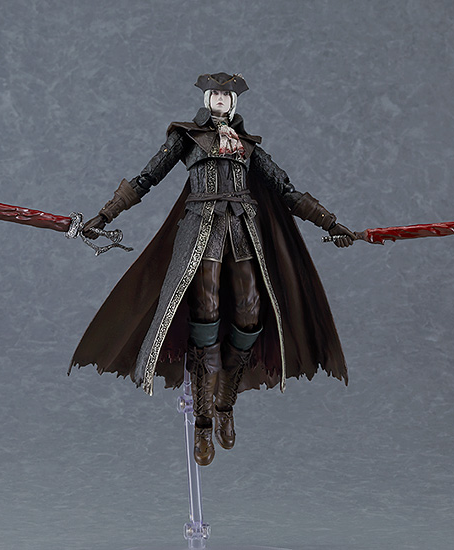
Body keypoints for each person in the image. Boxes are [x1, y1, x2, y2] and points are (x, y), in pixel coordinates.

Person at [70, 72, 354, 465]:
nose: (220, 98)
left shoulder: (248, 147)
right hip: (201, 231)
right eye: (215, 93)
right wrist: (105, 215)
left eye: (227, 94)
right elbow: (146, 177)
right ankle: (204, 421)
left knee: (251, 313)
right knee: (206, 312)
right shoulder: (186, 138)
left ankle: (226, 400)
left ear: (234, 102)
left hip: (243, 231)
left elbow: (286, 189)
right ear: (207, 99)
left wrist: (330, 223)